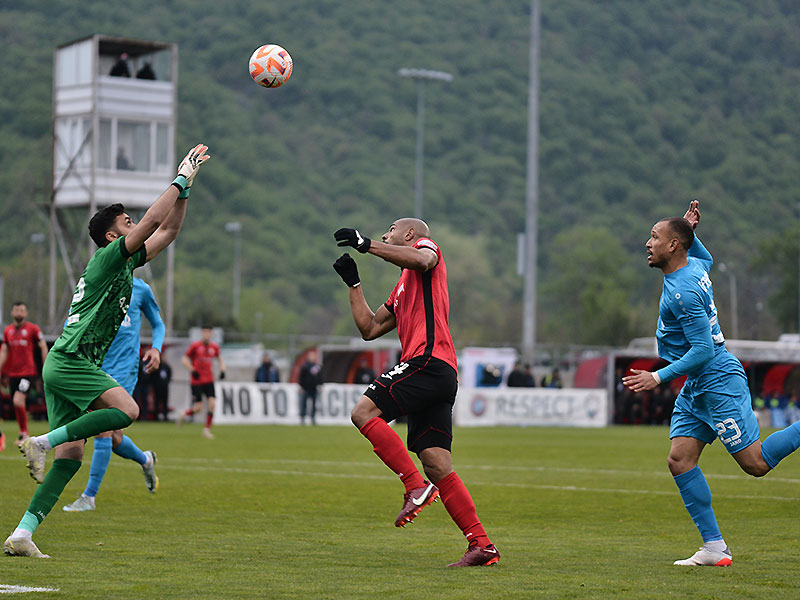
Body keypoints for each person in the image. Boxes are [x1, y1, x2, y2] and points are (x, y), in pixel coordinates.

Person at [4, 142, 210, 558]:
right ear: (113, 237)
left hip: (65, 364)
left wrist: (185, 192)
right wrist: (179, 177)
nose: (134, 222)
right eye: (125, 221)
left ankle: (22, 534)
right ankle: (42, 441)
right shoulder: (106, 258)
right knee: (128, 411)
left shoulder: (125, 263)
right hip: (71, 360)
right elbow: (153, 221)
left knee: (71, 457)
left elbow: (168, 231)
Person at [622, 200, 800, 567]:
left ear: (673, 245)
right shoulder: (694, 265)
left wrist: (657, 376)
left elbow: (703, 350)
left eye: (654, 237)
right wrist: (690, 230)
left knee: (756, 464)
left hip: (717, 378)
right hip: (699, 382)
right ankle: (715, 547)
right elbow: (705, 256)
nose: (648, 243)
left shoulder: (684, 291)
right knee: (680, 460)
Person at [332, 218, 499, 567]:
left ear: (409, 234)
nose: (385, 234)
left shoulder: (427, 249)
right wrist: (354, 284)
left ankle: (413, 485)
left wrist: (366, 244)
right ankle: (481, 545)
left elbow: (423, 260)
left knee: (363, 413)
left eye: (391, 229)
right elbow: (369, 328)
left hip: (427, 362)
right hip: (438, 374)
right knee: (437, 464)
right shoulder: (401, 288)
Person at [61, 276, 164, 512]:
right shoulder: (95, 282)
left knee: (103, 429)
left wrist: (156, 349)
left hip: (124, 370)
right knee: (114, 438)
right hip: (95, 367)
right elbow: (73, 321)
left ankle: (89, 497)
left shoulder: (140, 288)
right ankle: (145, 459)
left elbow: (158, 324)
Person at [0, 302, 49, 448]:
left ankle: (25, 434)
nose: (19, 313)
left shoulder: (32, 329)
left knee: (17, 400)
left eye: (22, 310)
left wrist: (46, 365)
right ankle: (22, 433)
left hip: (27, 373)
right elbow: (4, 351)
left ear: (26, 313)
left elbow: (43, 346)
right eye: (16, 310)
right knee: (17, 404)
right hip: (12, 374)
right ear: (12, 312)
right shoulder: (8, 331)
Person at [179, 326, 225, 438]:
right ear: (202, 334)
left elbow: (220, 359)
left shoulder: (214, 347)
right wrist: (192, 370)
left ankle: (206, 430)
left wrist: (223, 370)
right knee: (198, 408)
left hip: (209, 380)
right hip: (197, 381)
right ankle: (183, 414)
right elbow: (184, 359)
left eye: (208, 332)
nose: (206, 334)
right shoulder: (195, 346)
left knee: (212, 404)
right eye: (205, 332)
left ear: (211, 334)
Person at [298, 350, 322, 425]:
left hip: (314, 388)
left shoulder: (317, 367)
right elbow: (301, 377)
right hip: (306, 388)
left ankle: (313, 418)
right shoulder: (305, 366)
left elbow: (320, 377)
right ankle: (302, 418)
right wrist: (301, 386)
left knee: (314, 405)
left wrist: (320, 384)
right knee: (303, 404)